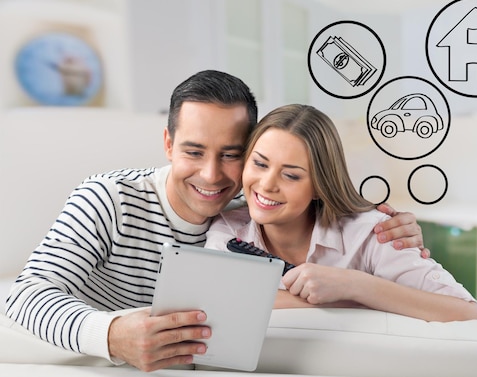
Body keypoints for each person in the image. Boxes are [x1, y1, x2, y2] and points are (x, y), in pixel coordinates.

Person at [4, 70, 427, 372]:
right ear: (168, 143)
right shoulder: (109, 198)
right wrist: (114, 334)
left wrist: (393, 230)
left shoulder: (252, 209)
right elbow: (25, 297)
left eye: (231, 154)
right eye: (193, 151)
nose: (211, 175)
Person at [206, 104, 477, 322]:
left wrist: (356, 285)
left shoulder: (373, 233)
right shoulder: (229, 229)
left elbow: (466, 313)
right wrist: (349, 303)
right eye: (259, 164)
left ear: (318, 186)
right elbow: (217, 302)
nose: (266, 185)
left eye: (291, 175)